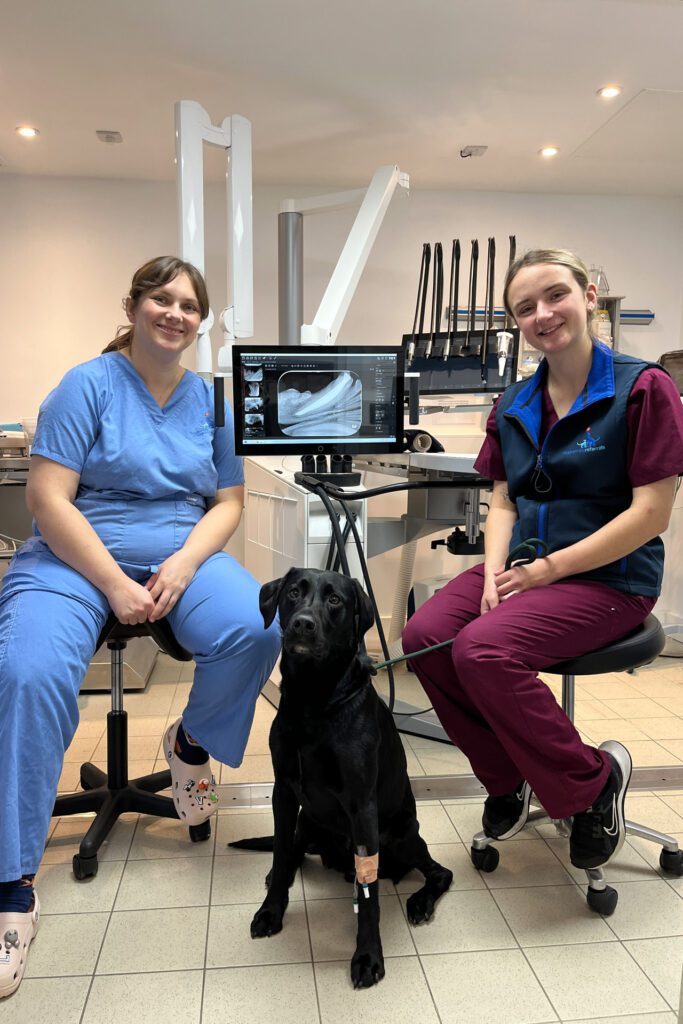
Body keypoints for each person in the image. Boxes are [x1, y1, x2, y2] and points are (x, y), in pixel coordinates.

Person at [0, 256, 281, 998]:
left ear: (201, 320)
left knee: (257, 628)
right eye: (162, 299)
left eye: (190, 305)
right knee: (25, 672)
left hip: (175, 549)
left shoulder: (213, 402)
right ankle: (9, 884)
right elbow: (48, 499)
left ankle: (189, 747)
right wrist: (113, 584)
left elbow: (227, 499)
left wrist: (186, 564)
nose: (176, 313)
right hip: (73, 553)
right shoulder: (85, 385)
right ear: (133, 306)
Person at [403, 248, 683, 871]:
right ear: (515, 323)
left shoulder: (643, 388)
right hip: (529, 565)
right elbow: (502, 498)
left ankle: (593, 782)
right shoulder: (514, 402)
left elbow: (651, 514)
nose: (543, 314)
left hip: (610, 577)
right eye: (525, 307)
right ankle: (509, 778)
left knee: (483, 649)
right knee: (425, 635)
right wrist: (492, 579)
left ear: (588, 296)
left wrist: (547, 572)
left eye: (555, 295)